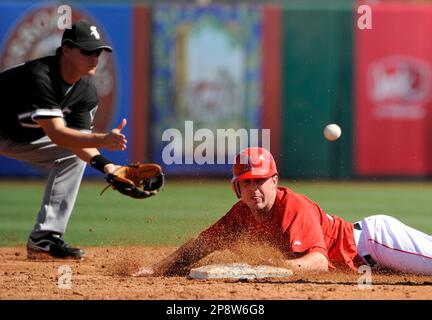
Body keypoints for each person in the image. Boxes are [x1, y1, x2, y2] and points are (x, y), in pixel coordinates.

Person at [134, 147, 432, 276]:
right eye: (246, 183)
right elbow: (200, 246)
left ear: (274, 181)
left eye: (260, 181)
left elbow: (316, 262)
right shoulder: (241, 215)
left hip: (374, 243)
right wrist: (155, 269)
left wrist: (268, 268)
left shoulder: (293, 206)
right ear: (236, 188)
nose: (254, 190)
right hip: (368, 268)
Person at [0, 20, 127, 260]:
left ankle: (44, 239)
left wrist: (109, 167)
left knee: (73, 152)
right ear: (66, 49)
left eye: (98, 52)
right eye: (87, 51)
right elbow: (57, 134)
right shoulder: (41, 75)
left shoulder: (87, 91)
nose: (94, 58)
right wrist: (103, 139)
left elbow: (77, 143)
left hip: (19, 137)